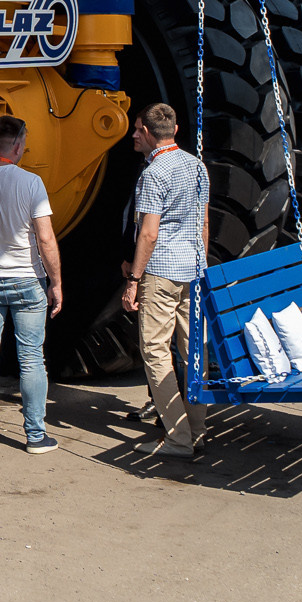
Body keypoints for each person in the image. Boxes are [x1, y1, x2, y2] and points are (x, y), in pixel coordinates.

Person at [0, 116, 64, 453]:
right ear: (18, 146)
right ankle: (35, 436)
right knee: (32, 359)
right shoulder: (31, 182)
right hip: (26, 282)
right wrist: (57, 283)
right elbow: (46, 240)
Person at [121, 102, 209, 460]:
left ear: (149, 133)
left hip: (161, 272)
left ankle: (177, 438)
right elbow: (203, 223)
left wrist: (133, 279)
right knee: (192, 353)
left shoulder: (154, 174)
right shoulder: (197, 166)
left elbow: (149, 233)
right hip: (193, 267)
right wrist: (200, 263)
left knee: (156, 352)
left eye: (137, 129)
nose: (133, 135)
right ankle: (197, 430)